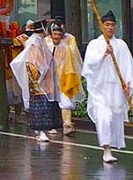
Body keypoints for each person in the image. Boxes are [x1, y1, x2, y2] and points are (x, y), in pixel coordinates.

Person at [82, 10, 133, 163]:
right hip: (100, 88)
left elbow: (128, 65)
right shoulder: (95, 45)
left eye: (112, 25)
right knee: (104, 116)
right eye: (107, 25)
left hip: (115, 88)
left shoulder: (121, 45)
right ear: (101, 26)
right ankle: (106, 149)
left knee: (115, 117)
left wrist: (127, 83)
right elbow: (89, 65)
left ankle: (112, 145)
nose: (110, 28)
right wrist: (103, 54)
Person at [10, 20, 62, 142]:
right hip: (37, 77)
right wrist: (40, 72)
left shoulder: (38, 41)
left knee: (43, 104)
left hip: (42, 75)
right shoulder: (34, 43)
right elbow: (33, 60)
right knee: (40, 104)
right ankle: (41, 130)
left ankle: (42, 130)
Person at [45, 21, 84, 136]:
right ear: (51, 34)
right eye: (54, 34)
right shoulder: (47, 45)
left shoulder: (66, 48)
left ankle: (67, 124)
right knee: (50, 102)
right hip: (49, 80)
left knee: (66, 103)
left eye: (58, 34)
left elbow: (71, 63)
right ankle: (51, 125)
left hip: (64, 78)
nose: (56, 36)